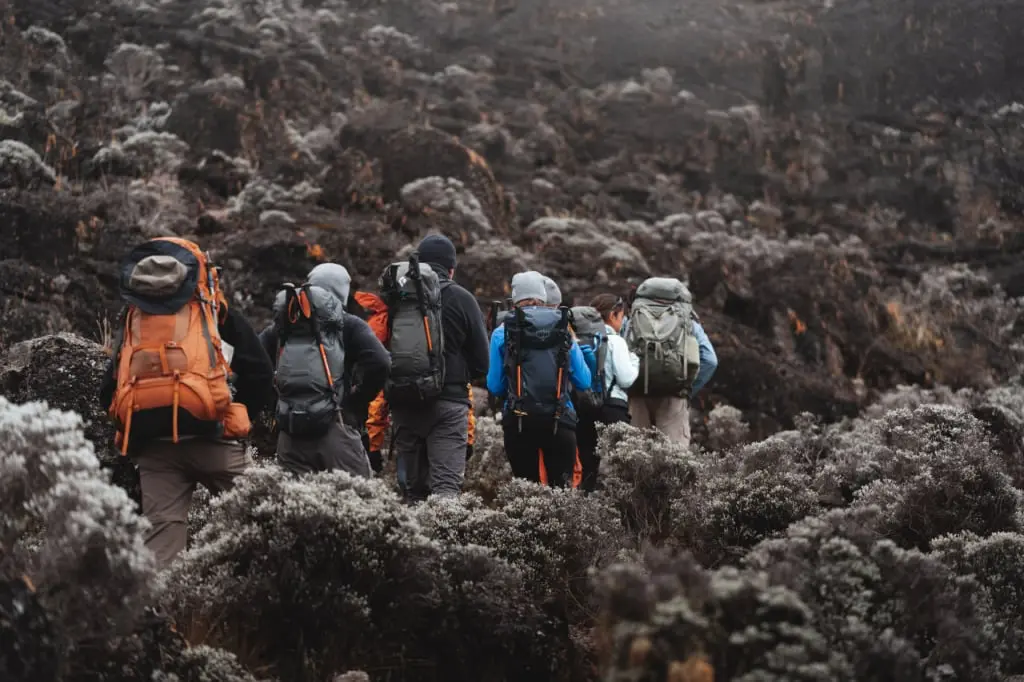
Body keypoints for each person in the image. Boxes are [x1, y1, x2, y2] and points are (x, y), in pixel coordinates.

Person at [100, 237, 275, 569]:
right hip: (215, 439)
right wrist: (236, 416)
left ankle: (158, 617)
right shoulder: (214, 312)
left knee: (161, 552)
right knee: (262, 525)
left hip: (155, 449)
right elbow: (261, 373)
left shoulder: (135, 319)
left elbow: (107, 390)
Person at [259, 263, 390, 478]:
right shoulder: (349, 324)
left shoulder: (284, 325)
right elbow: (381, 362)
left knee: (293, 507)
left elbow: (256, 364)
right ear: (342, 292)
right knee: (359, 503)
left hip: (290, 435)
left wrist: (277, 402)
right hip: (336, 427)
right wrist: (356, 401)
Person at [388, 234, 489, 501]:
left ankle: (412, 541)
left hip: (404, 403)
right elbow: (482, 363)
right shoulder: (462, 298)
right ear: (451, 269)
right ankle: (443, 540)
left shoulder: (395, 295)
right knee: (446, 491)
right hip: (448, 404)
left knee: (412, 493)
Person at [487, 271, 591, 487]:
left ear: (515, 298)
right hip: (560, 419)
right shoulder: (563, 327)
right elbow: (584, 381)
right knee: (560, 496)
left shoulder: (502, 331)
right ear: (543, 296)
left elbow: (495, 386)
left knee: (527, 496)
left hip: (518, 422)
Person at [623, 277, 717, 448]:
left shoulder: (633, 320)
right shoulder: (687, 321)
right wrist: (687, 389)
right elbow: (710, 360)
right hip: (674, 396)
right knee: (673, 461)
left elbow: (621, 354)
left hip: (637, 395)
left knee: (634, 458)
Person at [573, 294, 639, 491]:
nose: (623, 321)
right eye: (622, 316)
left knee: (588, 466)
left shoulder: (581, 340)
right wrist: (635, 360)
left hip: (584, 408)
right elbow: (626, 378)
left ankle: (585, 508)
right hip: (613, 407)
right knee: (620, 465)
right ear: (612, 315)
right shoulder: (615, 341)